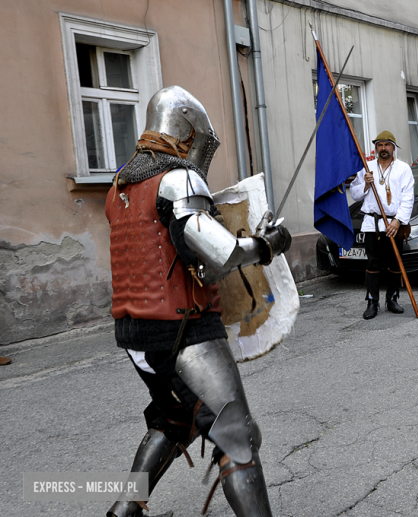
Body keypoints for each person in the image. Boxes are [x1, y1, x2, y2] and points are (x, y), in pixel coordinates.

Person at [104, 86, 291, 517]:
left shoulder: (121, 185)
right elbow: (220, 254)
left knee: (174, 420)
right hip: (184, 331)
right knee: (236, 435)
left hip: (135, 335)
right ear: (187, 132)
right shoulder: (178, 179)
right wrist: (266, 245)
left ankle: (124, 510)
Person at [349, 131, 414, 319]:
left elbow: (408, 198)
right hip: (372, 223)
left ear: (393, 147)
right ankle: (372, 302)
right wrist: (366, 185)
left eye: (387, 145)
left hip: (395, 223)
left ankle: (392, 299)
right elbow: (355, 194)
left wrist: (397, 220)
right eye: (379, 145)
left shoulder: (403, 169)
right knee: (372, 263)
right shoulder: (366, 168)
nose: (383, 148)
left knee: (395, 263)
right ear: (375, 148)